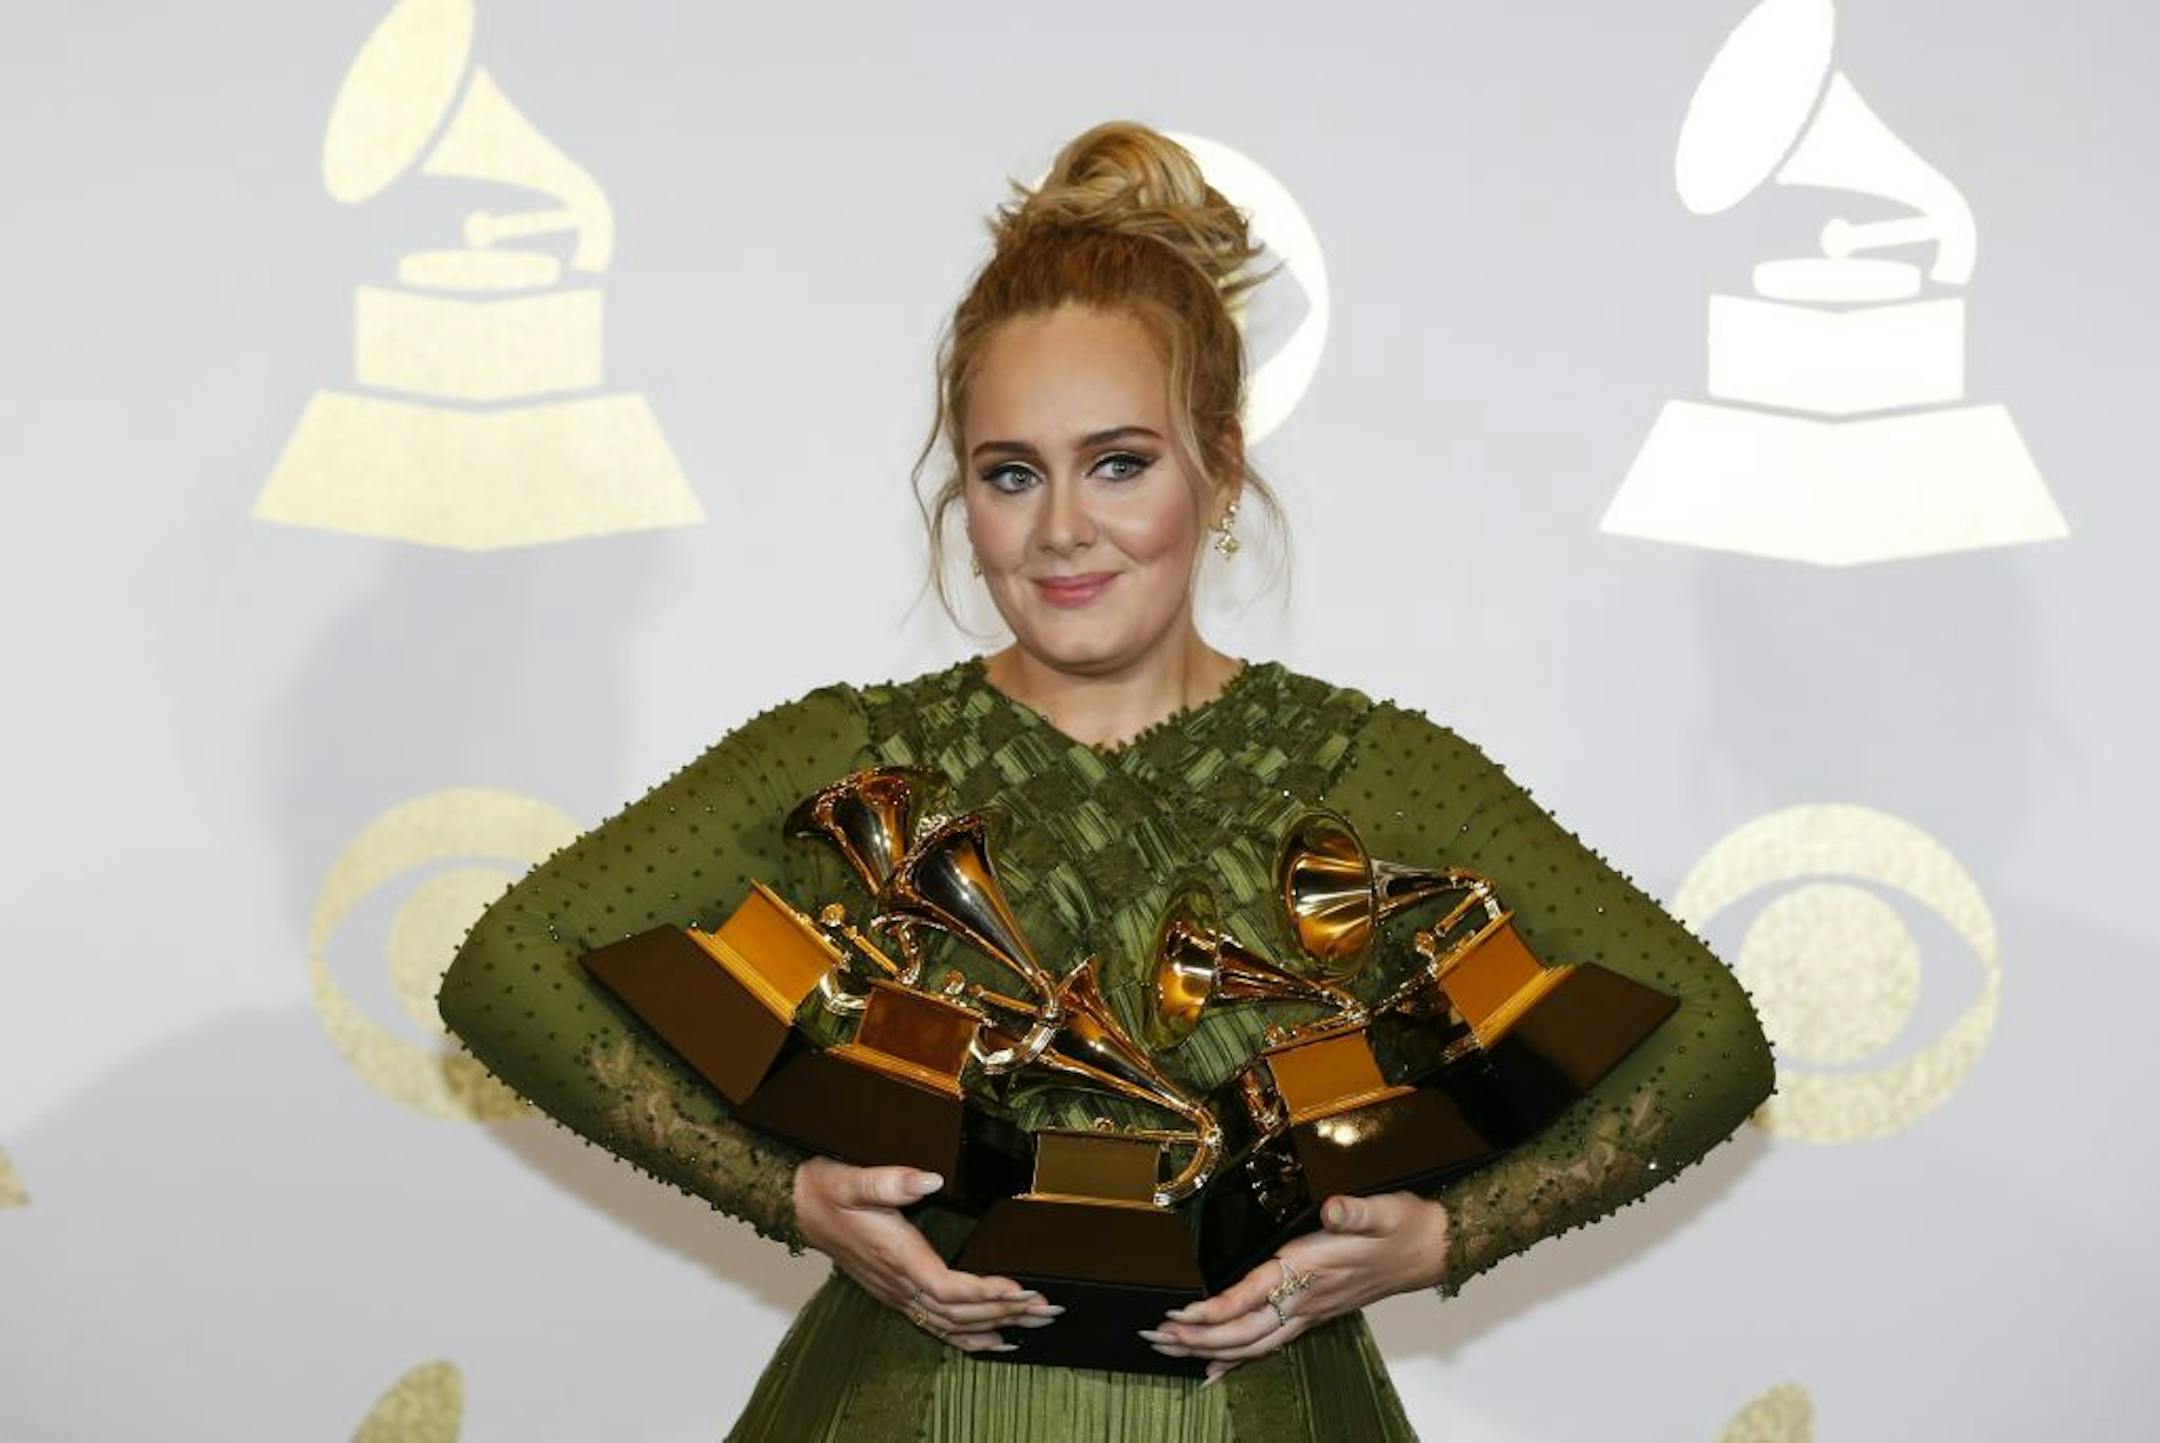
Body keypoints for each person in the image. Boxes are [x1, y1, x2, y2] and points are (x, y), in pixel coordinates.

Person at [436, 120, 1776, 1442]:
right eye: (1012, 475)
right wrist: (789, 1200)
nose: (1063, 528)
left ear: (1222, 470)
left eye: (1118, 464)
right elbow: (506, 969)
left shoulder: (1371, 770)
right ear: (963, 500)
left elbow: (1711, 1038)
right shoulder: (845, 756)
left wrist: (1446, 1236)